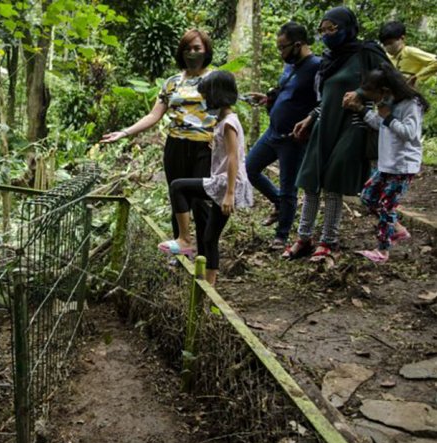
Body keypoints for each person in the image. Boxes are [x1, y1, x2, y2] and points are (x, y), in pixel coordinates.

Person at [285, 6, 391, 263]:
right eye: (323, 30)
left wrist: (363, 96)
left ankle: (328, 241)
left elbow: (391, 81)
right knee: (310, 180)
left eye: (332, 28)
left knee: (333, 183)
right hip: (325, 124)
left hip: (353, 124)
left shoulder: (367, 52)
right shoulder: (329, 59)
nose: (327, 34)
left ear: (347, 27)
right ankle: (304, 238)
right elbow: (327, 96)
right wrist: (311, 117)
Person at [101, 29, 217, 259]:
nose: (192, 53)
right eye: (187, 49)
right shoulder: (172, 83)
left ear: (206, 51)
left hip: (206, 146)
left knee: (200, 202)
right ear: (181, 53)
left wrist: (223, 142)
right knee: (178, 198)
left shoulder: (215, 79)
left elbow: (226, 113)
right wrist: (125, 132)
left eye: (197, 48)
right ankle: (181, 250)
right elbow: (154, 115)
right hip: (175, 146)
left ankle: (205, 254)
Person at [157, 71, 253, 285]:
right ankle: (210, 288)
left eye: (206, 96)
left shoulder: (228, 123)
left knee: (178, 187)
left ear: (216, 95)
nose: (204, 102)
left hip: (224, 184)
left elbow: (233, 159)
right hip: (227, 183)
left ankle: (184, 240)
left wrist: (228, 194)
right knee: (210, 238)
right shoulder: (225, 120)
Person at [244, 22, 320, 250]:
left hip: (292, 139)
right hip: (272, 132)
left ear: (298, 45)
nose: (280, 53)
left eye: (282, 48)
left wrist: (309, 123)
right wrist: (267, 99)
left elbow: (321, 102)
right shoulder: (290, 65)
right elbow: (287, 93)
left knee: (289, 188)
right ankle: (278, 203)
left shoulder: (317, 67)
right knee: (250, 168)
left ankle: (282, 236)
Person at [342, 63, 429, 262]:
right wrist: (362, 110)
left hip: (403, 165)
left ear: (385, 90)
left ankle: (382, 251)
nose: (372, 98)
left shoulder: (411, 104)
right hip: (387, 162)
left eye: (373, 94)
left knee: (387, 206)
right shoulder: (389, 101)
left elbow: (409, 133)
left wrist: (388, 116)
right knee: (368, 197)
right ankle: (397, 230)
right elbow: (381, 125)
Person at [379, 21, 437, 86]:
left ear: (402, 38)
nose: (387, 47)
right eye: (385, 44)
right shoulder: (386, 56)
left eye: (390, 43)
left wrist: (416, 77)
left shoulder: (409, 51)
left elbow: (435, 62)